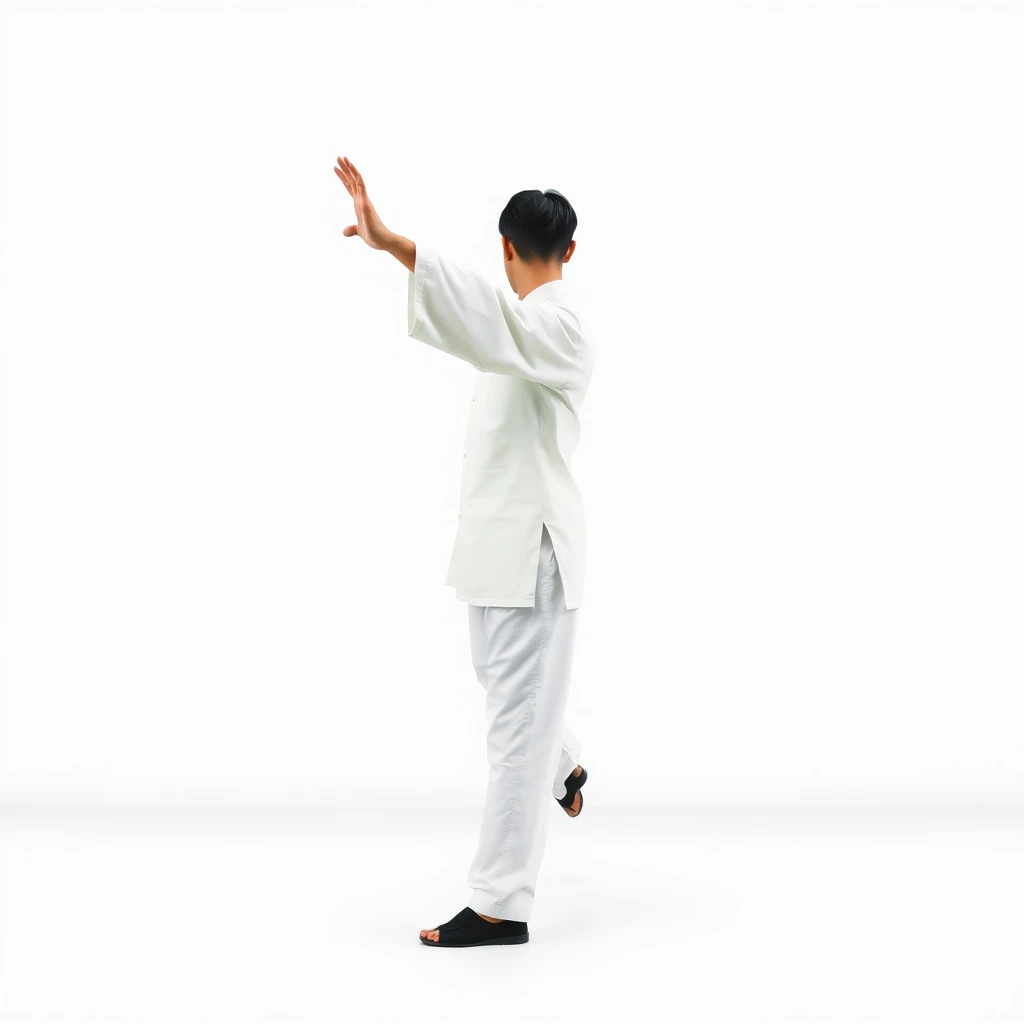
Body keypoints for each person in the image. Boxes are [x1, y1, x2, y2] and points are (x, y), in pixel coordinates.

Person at [333, 156, 595, 948]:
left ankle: (499, 904)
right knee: (504, 691)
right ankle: (565, 765)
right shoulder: (524, 329)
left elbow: (489, 318)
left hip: (533, 553)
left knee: (514, 726)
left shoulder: (554, 325)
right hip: (494, 549)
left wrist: (396, 246)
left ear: (506, 248)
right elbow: (490, 326)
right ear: (568, 247)